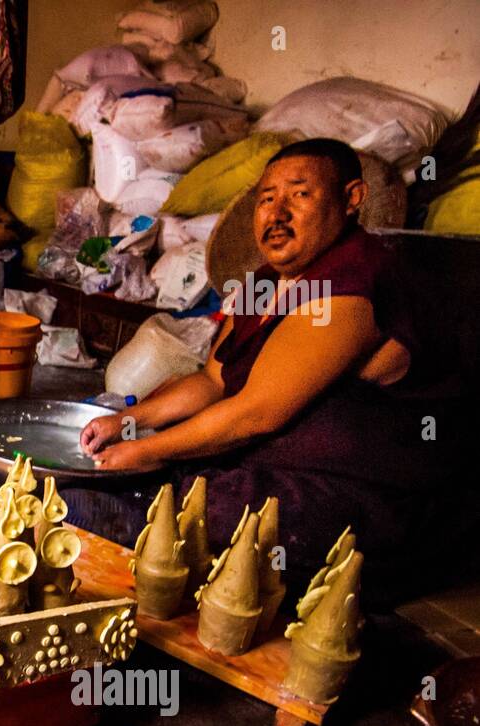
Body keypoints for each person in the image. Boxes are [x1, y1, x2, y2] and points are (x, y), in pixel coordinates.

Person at [65, 138, 459, 606]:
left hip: (361, 494)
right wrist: (128, 422)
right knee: (92, 488)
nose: (277, 213)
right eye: (266, 199)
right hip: (265, 462)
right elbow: (213, 381)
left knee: (130, 517)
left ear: (352, 199)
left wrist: (150, 450)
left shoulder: (355, 284)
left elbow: (256, 413)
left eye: (299, 194)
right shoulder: (264, 285)